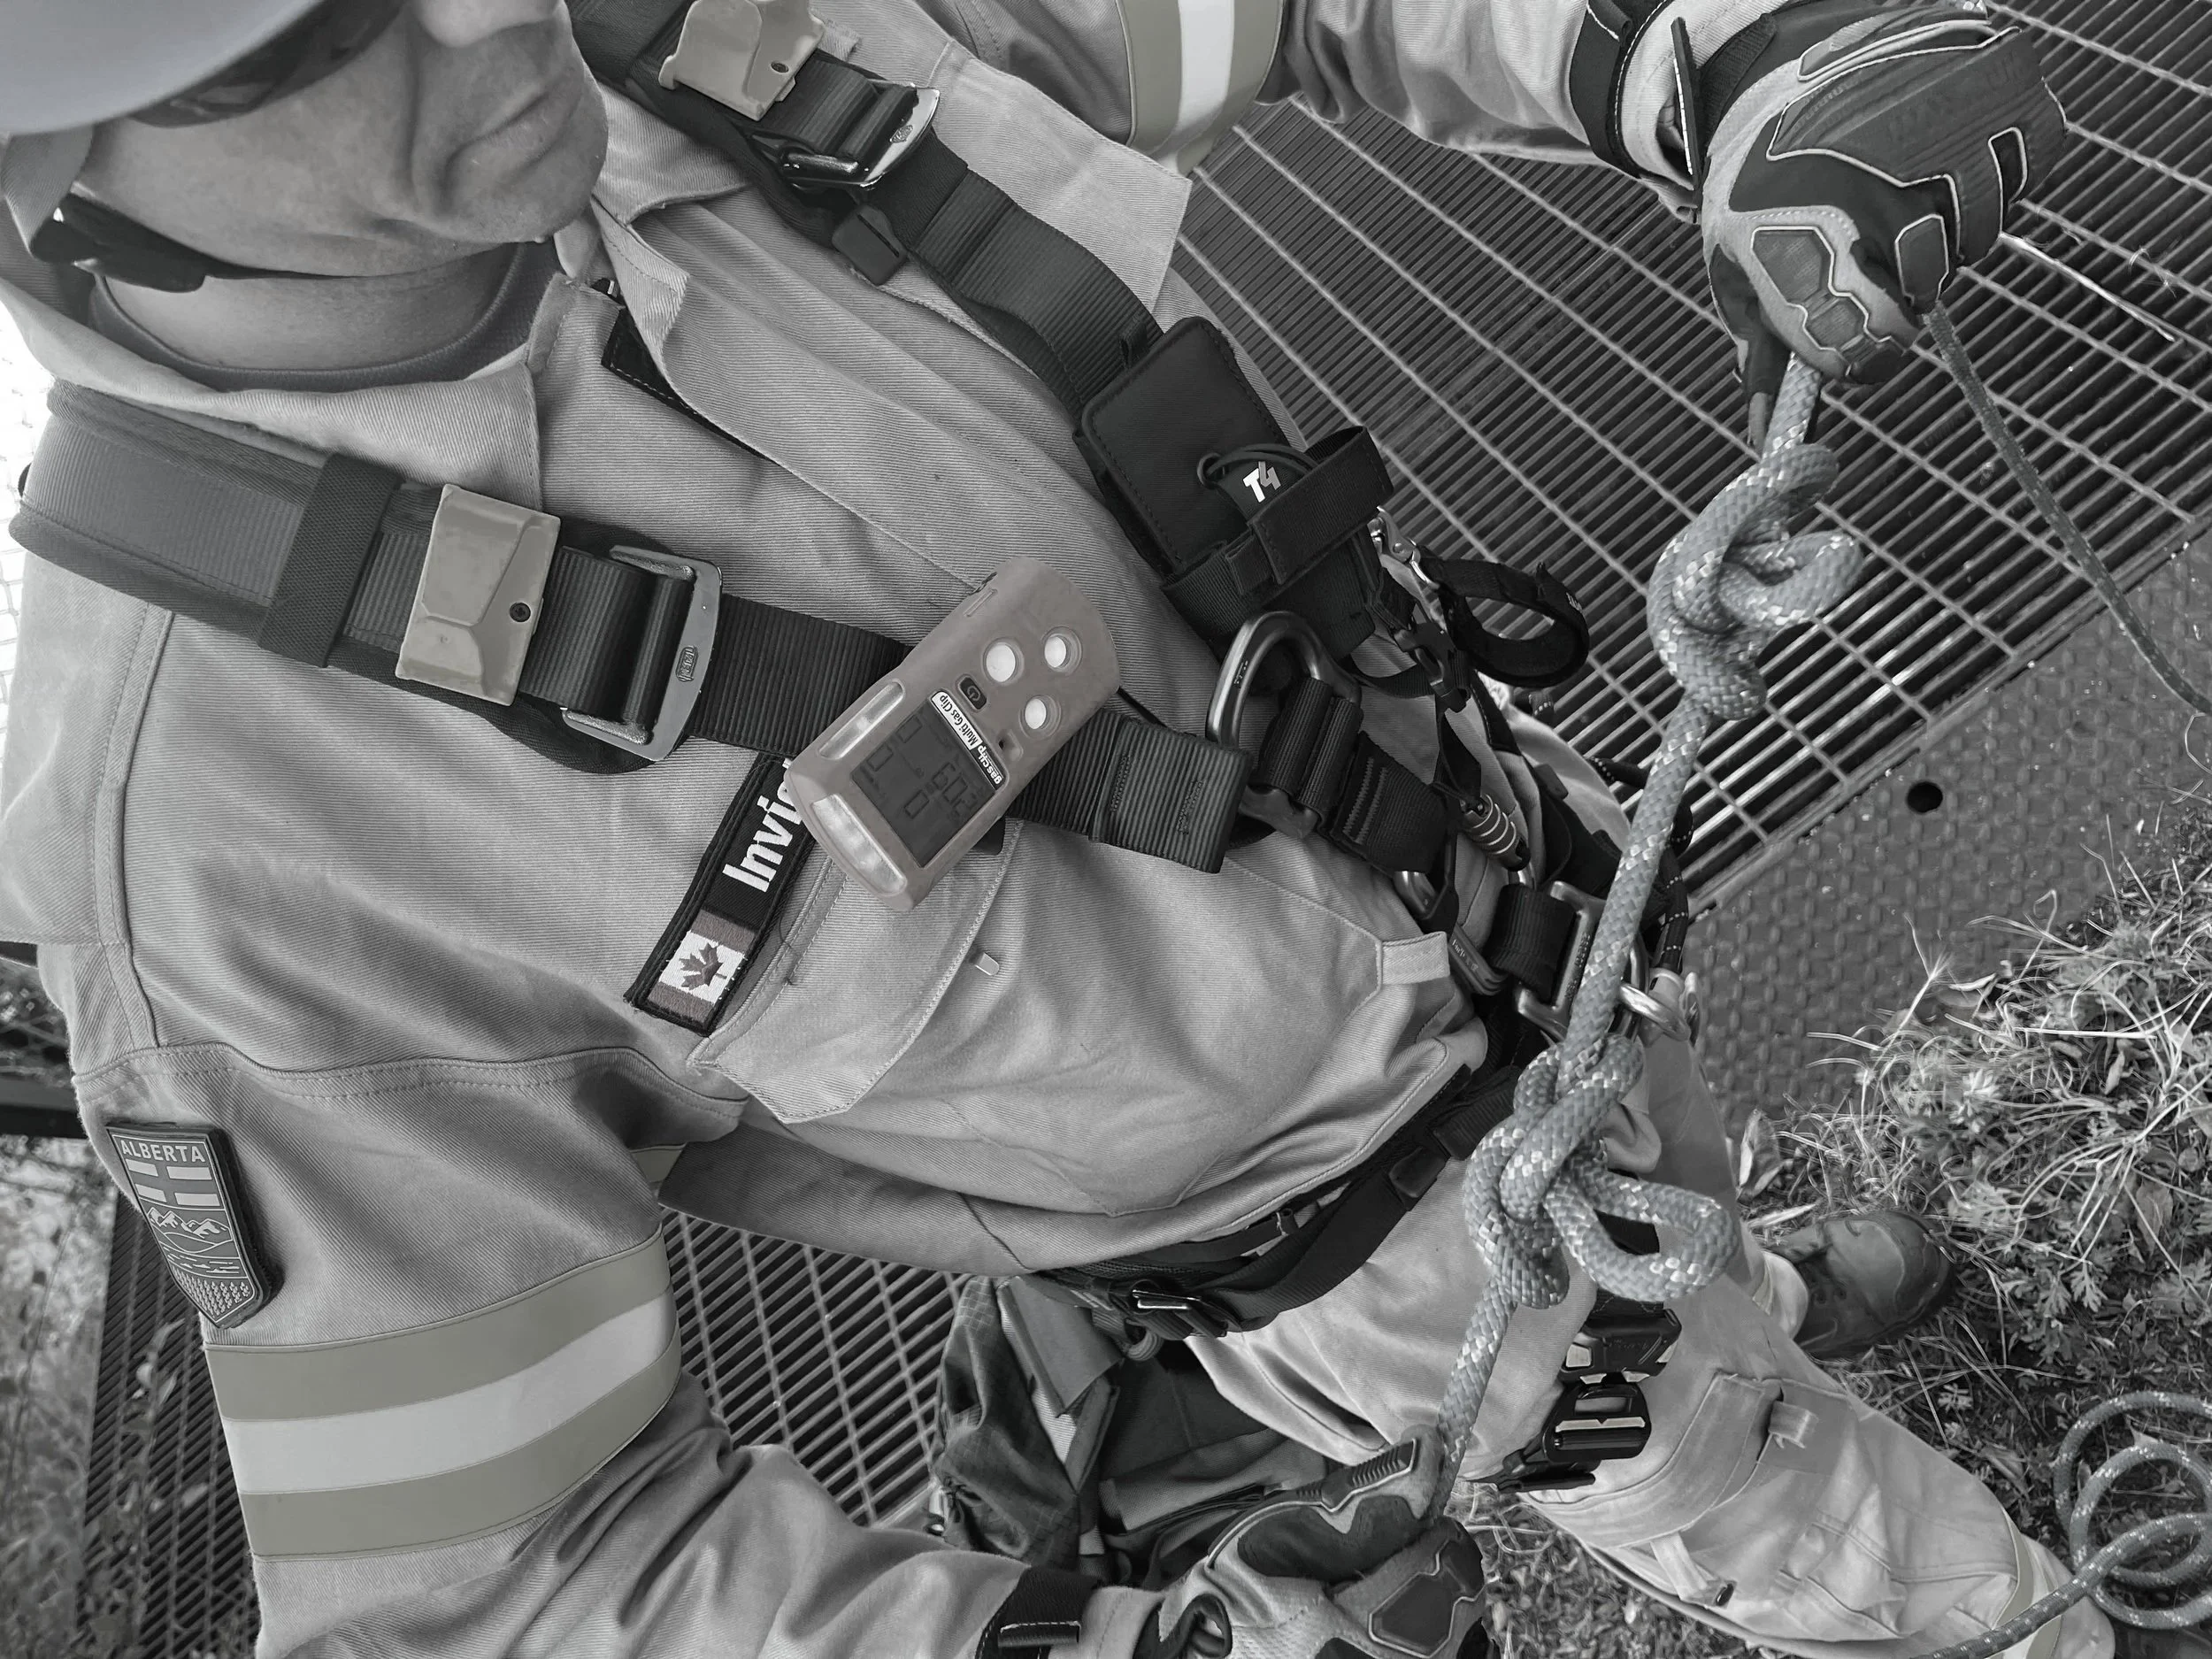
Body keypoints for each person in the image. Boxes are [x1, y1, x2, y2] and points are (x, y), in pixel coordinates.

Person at [0, 2, 2185, 1656]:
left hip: (1548, 901)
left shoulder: (728, 55)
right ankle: (1909, 1544)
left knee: (1685, 1216)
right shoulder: (216, 838)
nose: (482, 8)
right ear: (39, 167)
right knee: (1801, 1510)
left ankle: (1745, 1276)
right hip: (1400, 1264)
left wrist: (1726, 57)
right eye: (302, 33)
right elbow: (519, 1584)